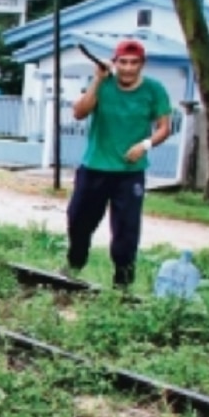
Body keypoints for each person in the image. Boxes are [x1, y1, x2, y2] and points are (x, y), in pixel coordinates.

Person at [63, 39, 172, 288]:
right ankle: (74, 264)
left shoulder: (154, 90)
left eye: (134, 63)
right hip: (94, 167)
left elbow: (164, 128)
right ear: (115, 63)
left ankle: (122, 283)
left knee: (126, 230)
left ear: (142, 65)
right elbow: (79, 112)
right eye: (123, 62)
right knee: (78, 220)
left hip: (129, 173)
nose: (128, 68)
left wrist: (144, 145)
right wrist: (98, 80)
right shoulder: (103, 85)